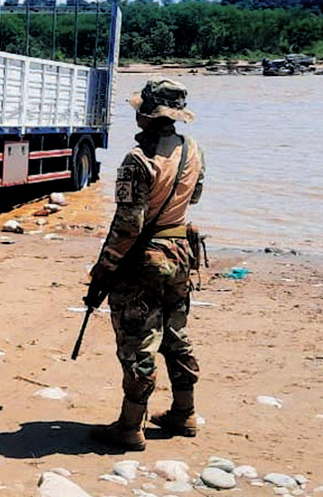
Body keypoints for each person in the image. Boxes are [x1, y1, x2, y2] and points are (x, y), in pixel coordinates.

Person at [84, 77, 205, 451]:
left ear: (148, 116)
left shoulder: (138, 160)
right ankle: (184, 414)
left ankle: (130, 425)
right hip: (181, 254)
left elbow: (127, 225)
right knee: (176, 334)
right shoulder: (192, 149)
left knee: (139, 343)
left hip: (144, 261)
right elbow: (195, 196)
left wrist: (102, 271)